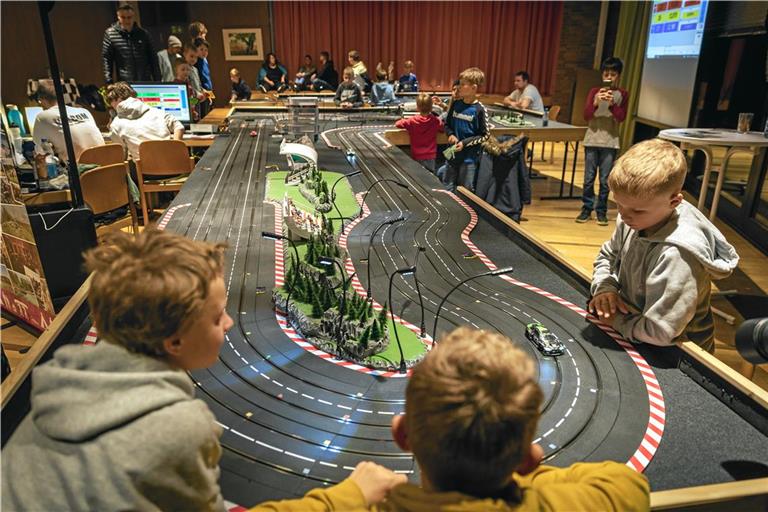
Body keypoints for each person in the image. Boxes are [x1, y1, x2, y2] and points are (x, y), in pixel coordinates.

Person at [249, 328, 650, 511]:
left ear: (402, 433)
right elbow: (626, 484)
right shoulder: (558, 502)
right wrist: (527, 471)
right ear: (527, 459)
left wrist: (350, 495)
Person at [1, 229, 233, 511]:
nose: (229, 322)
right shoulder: (179, 426)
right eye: (218, 315)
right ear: (174, 341)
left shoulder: (62, 380)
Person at [589, 139, 739, 354]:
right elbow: (608, 255)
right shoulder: (635, 215)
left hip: (679, 355)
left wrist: (616, 322)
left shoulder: (678, 255)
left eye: (638, 210)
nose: (623, 214)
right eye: (619, 203)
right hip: (638, 330)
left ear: (675, 202)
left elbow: (661, 331)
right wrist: (605, 287)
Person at [576, 57, 630, 225]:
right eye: (606, 73)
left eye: (613, 74)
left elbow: (621, 118)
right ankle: (586, 208)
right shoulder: (594, 91)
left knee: (605, 180)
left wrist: (613, 104)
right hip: (592, 139)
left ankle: (601, 210)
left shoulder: (623, 94)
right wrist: (595, 103)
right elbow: (586, 115)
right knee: (588, 178)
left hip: (610, 142)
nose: (609, 77)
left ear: (618, 76)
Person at [439, 67, 489, 192]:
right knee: (447, 187)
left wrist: (464, 143)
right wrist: (450, 134)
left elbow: (485, 135)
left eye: (462, 85)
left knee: (465, 191)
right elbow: (447, 124)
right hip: (452, 155)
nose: (459, 87)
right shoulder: (456, 104)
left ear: (474, 88)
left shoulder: (479, 110)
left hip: (468, 160)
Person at [31, 80, 104, 164]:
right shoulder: (84, 111)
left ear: (41, 100)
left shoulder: (42, 117)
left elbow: (41, 153)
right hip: (106, 167)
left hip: (81, 172)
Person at [107, 82, 184, 160]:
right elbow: (179, 126)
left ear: (118, 100)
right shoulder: (157, 112)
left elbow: (121, 155)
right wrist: (175, 148)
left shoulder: (116, 123)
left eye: (111, 102)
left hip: (144, 169)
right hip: (172, 165)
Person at [101, 4, 160, 83]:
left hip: (145, 79)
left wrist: (158, 79)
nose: (126, 20)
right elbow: (107, 59)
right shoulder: (110, 34)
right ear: (118, 17)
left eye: (129, 17)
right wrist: (108, 80)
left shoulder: (143, 34)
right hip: (125, 81)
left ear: (133, 17)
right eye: (123, 17)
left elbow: (153, 58)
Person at [395, 92, 443, 173]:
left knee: (418, 179)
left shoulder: (412, 120)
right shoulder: (435, 121)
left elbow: (398, 124)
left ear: (417, 107)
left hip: (417, 155)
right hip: (431, 156)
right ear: (431, 107)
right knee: (430, 179)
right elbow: (442, 129)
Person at [194, 38, 213, 117]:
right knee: (203, 115)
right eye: (201, 49)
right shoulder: (196, 62)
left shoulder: (204, 61)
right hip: (201, 93)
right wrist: (202, 90)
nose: (204, 52)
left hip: (208, 92)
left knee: (209, 112)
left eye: (206, 50)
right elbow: (197, 80)